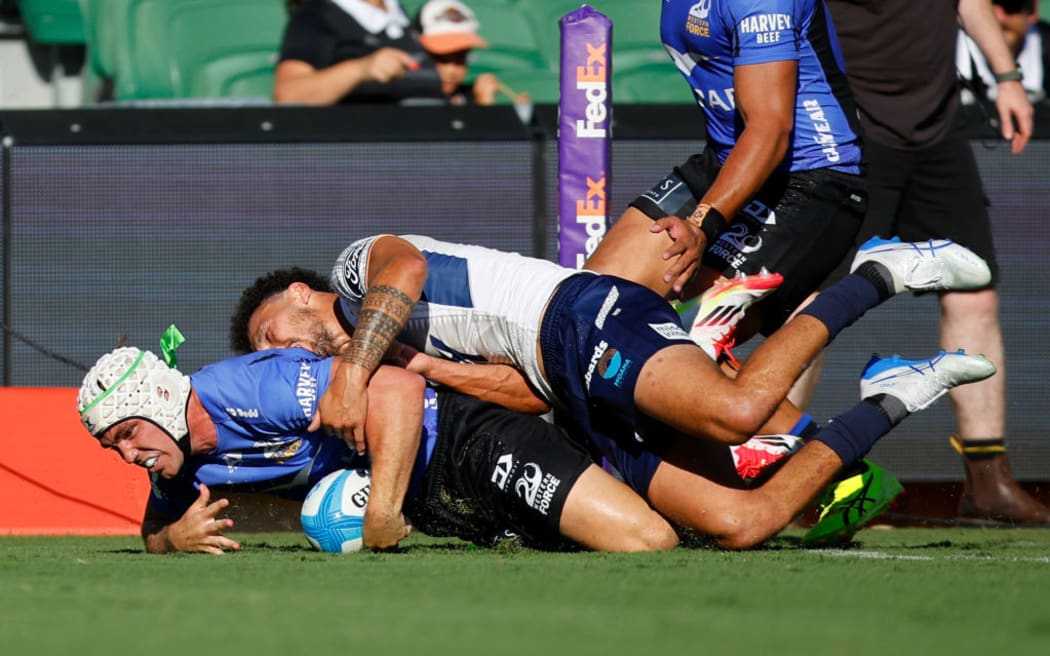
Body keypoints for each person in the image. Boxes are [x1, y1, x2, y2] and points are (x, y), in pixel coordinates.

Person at [233, 231, 995, 525]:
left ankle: (880, 271)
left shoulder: (353, 275)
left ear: (301, 297)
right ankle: (895, 395)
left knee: (737, 412)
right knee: (743, 522)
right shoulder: (402, 353)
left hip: (580, 315)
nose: (287, 353)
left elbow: (408, 265)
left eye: (275, 334)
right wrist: (427, 367)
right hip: (568, 386)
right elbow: (528, 392)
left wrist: (351, 372)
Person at [812, 0, 1050, 525]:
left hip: (937, 126)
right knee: (814, 295)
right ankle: (778, 472)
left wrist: (1007, 78)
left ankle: (989, 485)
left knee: (975, 288)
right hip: (848, 124)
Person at [78, 346, 677, 554]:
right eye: (114, 449)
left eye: (127, 434)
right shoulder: (179, 455)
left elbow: (397, 385)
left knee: (648, 539)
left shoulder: (251, 389)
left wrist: (383, 509)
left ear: (154, 400)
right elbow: (156, 526)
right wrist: (170, 539)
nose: (129, 455)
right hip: (443, 504)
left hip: (467, 440)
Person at [581, 0, 867, 347]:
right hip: (723, 163)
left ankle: (885, 394)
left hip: (811, 180)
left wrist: (701, 225)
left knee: (664, 351)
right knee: (581, 315)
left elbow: (769, 130)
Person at [273, 0, 443, 105]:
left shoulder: (399, 12)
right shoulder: (316, 15)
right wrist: (361, 69)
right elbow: (289, 95)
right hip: (360, 150)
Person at [411, 0, 522, 106]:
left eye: (460, 57)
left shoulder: (471, 96)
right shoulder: (401, 99)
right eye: (441, 58)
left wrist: (486, 107)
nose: (451, 70)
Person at [958, 0, 1050, 105]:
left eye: (1011, 7)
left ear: (1032, 10)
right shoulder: (943, 55)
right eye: (986, 8)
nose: (999, 18)